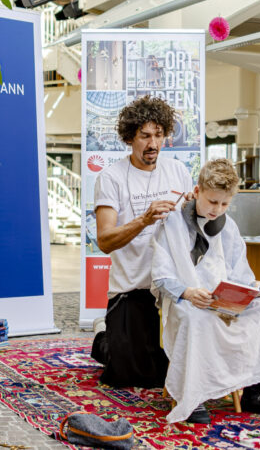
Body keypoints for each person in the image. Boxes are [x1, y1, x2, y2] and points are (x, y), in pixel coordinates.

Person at [151, 159, 260, 424]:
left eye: (225, 204)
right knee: (196, 320)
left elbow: (240, 275)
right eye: (213, 202)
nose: (217, 210)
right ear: (197, 190)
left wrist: (258, 288)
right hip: (186, 301)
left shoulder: (230, 226)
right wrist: (189, 292)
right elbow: (161, 276)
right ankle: (194, 396)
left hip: (223, 301)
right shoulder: (172, 223)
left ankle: (255, 392)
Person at [90, 95, 193, 388]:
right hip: (132, 290)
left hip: (172, 287)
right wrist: (144, 220)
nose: (153, 144)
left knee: (173, 373)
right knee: (130, 376)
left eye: (159, 135)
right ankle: (103, 338)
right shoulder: (112, 177)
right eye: (145, 136)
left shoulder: (177, 171)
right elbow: (105, 241)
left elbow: (191, 229)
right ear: (129, 137)